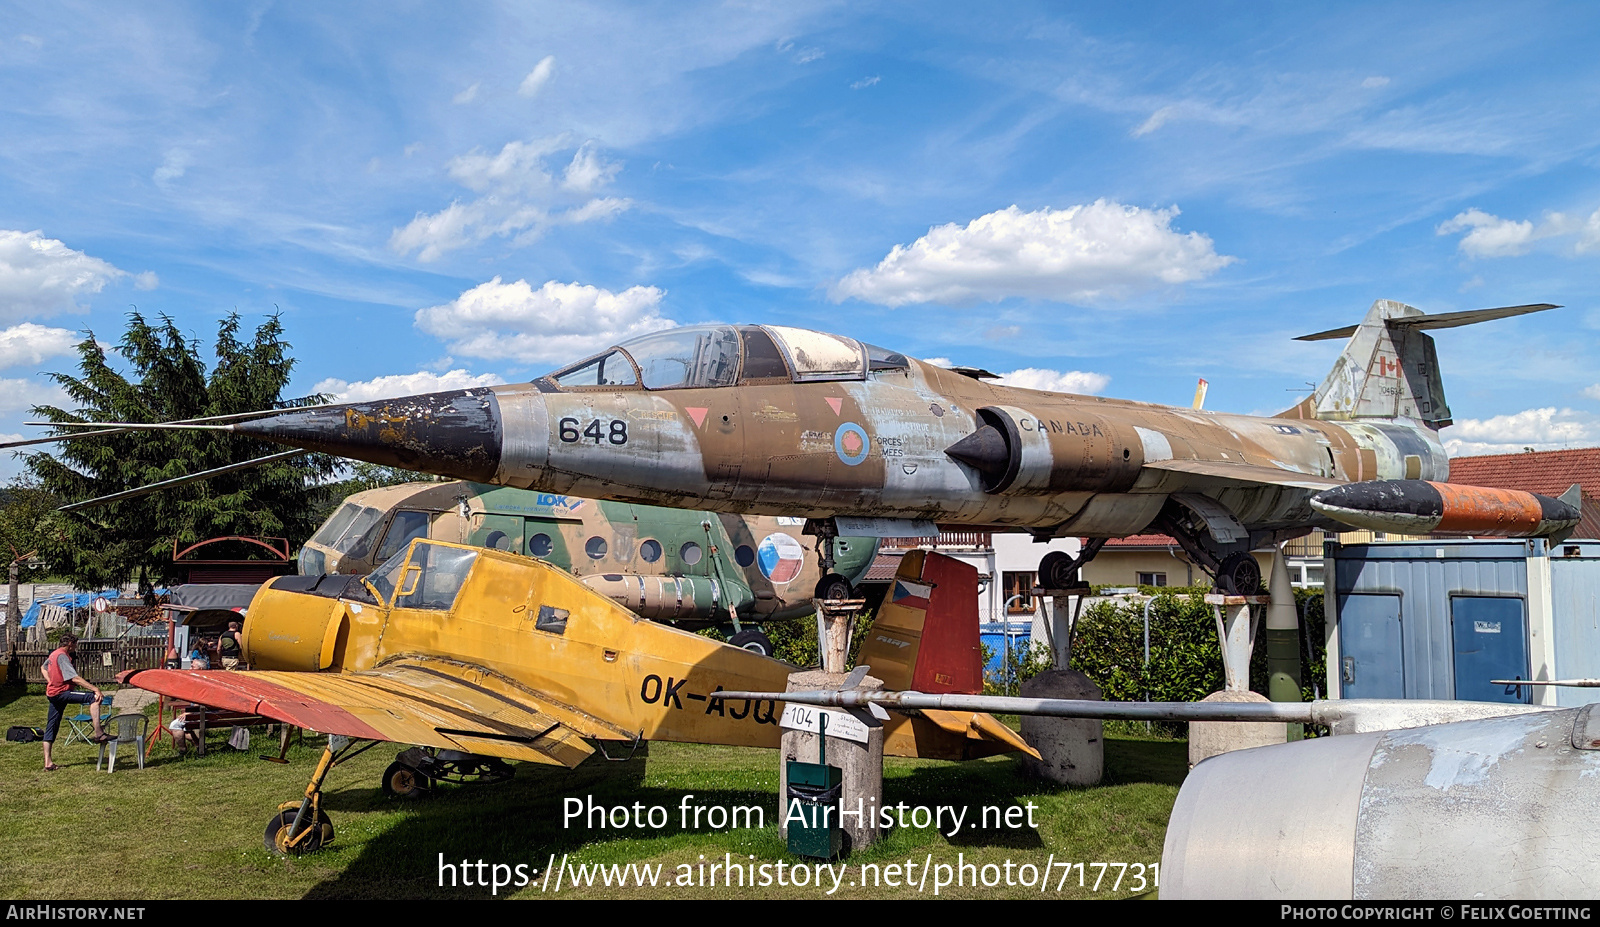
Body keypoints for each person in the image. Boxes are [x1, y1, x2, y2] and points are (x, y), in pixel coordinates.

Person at [41, 633, 107, 770]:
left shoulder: (53, 654)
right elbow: (75, 678)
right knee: (93, 697)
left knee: (52, 725)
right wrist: (95, 688)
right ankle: (99, 734)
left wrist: (50, 682)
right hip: (62, 692)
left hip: (52, 693)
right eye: (75, 644)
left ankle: (48, 763)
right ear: (70, 644)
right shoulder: (62, 656)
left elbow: (43, 668)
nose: (76, 646)